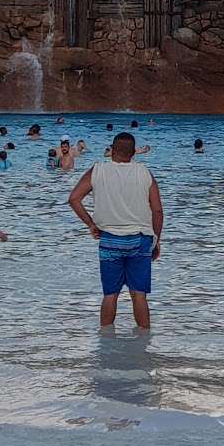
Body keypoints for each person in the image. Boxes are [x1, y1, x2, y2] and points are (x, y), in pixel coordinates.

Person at [67, 133, 163, 330]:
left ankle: (106, 347)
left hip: (109, 239)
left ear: (112, 149)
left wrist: (91, 224)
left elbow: (74, 199)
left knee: (110, 294)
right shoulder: (144, 172)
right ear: (133, 152)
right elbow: (157, 210)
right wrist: (156, 239)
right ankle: (144, 347)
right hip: (140, 239)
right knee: (139, 294)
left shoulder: (98, 170)